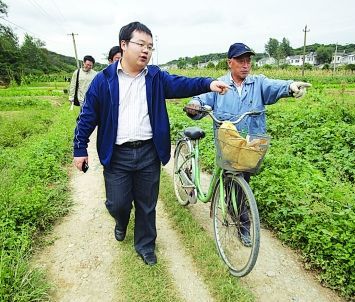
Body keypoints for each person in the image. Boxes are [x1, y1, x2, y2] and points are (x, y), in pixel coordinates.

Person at [72, 21, 229, 266]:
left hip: (147, 152)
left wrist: (208, 83)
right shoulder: (103, 81)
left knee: (147, 204)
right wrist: (80, 149)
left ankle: (145, 245)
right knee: (118, 203)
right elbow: (87, 117)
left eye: (150, 46)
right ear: (124, 45)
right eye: (141, 44)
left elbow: (181, 83)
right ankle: (121, 221)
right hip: (117, 154)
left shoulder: (155, 77)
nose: (146, 50)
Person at [186, 42, 311, 246]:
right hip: (228, 145)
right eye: (241, 61)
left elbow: (275, 86)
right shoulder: (220, 86)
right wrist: (195, 105)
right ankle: (243, 223)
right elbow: (202, 98)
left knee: (243, 182)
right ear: (230, 63)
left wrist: (290, 87)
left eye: (248, 61)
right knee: (231, 178)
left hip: (251, 146)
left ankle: (238, 215)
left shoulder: (258, 84)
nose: (246, 65)